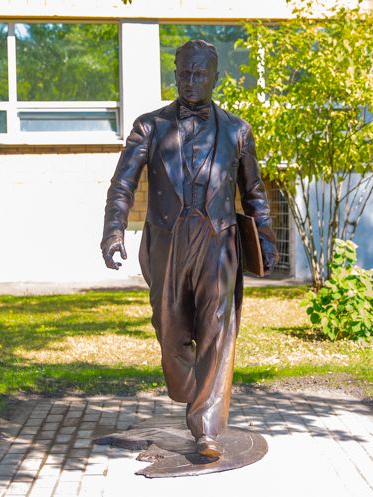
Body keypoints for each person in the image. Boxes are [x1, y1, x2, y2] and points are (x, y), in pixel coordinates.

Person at [101, 39, 277, 459]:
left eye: (200, 74)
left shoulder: (237, 130)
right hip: (168, 242)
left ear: (215, 78)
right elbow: (123, 183)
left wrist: (266, 239)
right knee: (171, 332)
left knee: (217, 331)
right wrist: (113, 230)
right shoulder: (150, 127)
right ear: (175, 74)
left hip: (219, 242)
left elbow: (253, 191)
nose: (191, 81)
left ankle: (206, 428)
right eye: (184, 73)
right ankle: (187, 386)